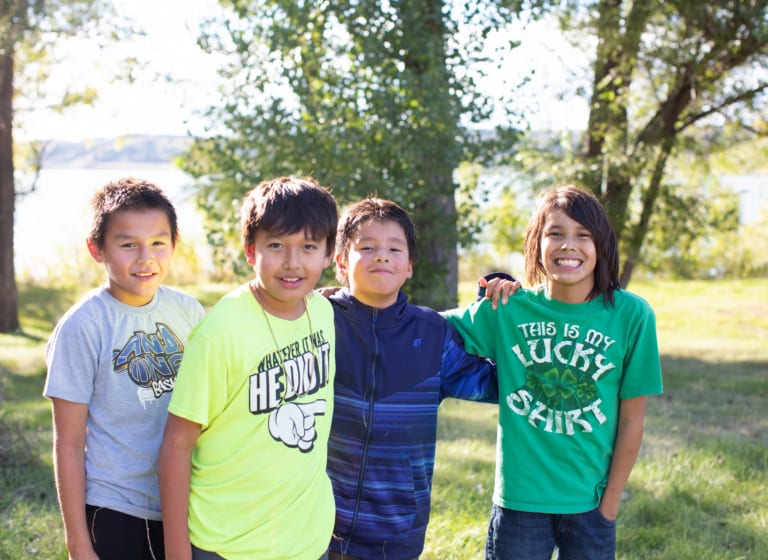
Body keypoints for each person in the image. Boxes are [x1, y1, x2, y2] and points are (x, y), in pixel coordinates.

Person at [445, 184, 663, 560]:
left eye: (583, 235)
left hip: (590, 503)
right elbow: (423, 332)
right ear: (536, 243)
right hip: (520, 501)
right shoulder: (509, 309)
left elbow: (632, 421)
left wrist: (608, 507)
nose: (568, 246)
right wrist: (352, 304)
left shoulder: (632, 316)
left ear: (602, 245)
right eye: (555, 234)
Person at [158, 176, 339, 560]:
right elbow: (176, 446)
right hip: (228, 544)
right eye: (276, 246)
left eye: (308, 247)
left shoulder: (323, 311)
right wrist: (176, 552)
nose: (292, 263)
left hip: (308, 538)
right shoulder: (220, 333)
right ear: (250, 251)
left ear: (328, 254)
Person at [326, 197, 513, 560]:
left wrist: (495, 312)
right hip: (319, 525)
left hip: (399, 529)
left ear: (410, 265)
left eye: (394, 249)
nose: (382, 256)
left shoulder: (432, 333)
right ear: (340, 262)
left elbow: (498, 384)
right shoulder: (319, 322)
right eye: (367, 248)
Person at [43, 177, 206, 560]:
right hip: (117, 508)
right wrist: (78, 544)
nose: (145, 257)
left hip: (185, 500)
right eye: (128, 244)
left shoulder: (188, 311)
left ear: (174, 246)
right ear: (96, 249)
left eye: (158, 243)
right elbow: (67, 443)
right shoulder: (83, 326)